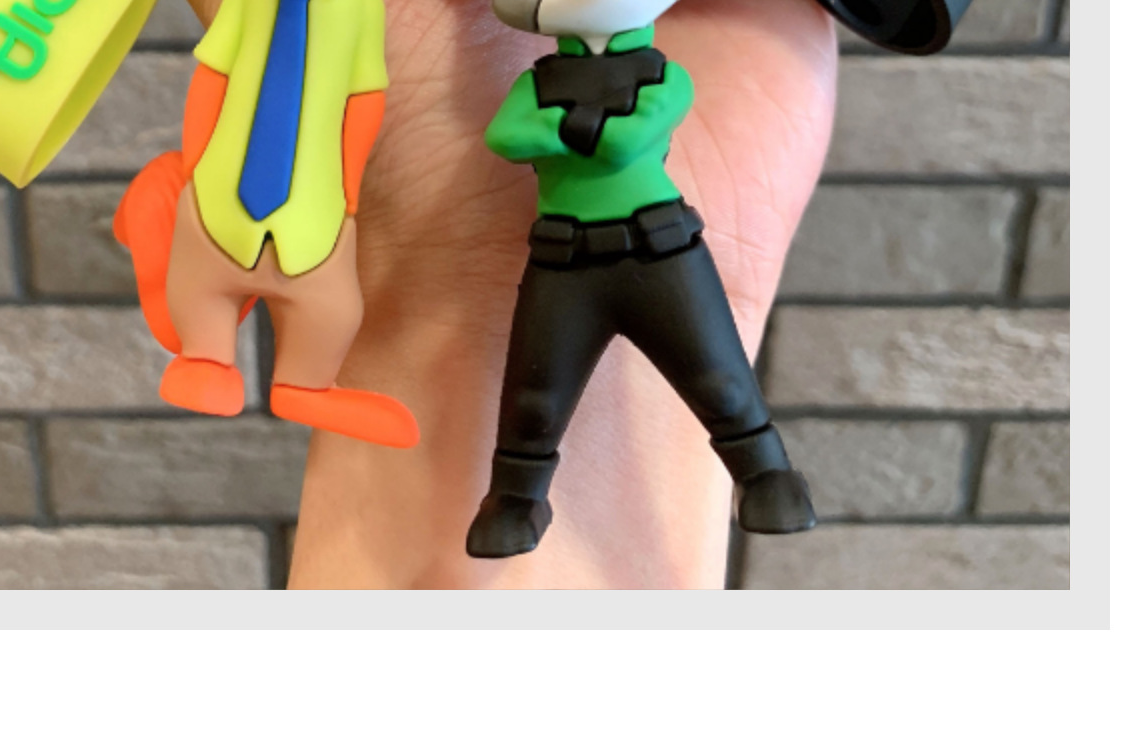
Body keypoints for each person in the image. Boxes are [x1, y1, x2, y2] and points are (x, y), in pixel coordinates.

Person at [179, 0, 839, 588]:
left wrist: (564, 130)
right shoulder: (541, 78)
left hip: (662, 252)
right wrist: (579, 130)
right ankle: (516, 500)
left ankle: (766, 476)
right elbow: (510, 136)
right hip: (563, 260)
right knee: (534, 396)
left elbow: (626, 138)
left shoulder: (659, 73)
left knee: (719, 378)